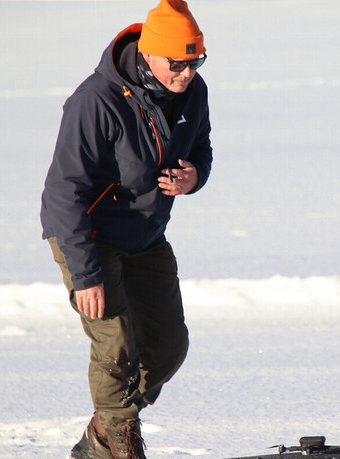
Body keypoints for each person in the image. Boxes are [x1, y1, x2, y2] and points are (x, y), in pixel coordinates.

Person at [40, 0, 212, 457]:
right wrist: (85, 273)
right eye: (178, 64)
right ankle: (120, 440)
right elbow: (63, 191)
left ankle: (103, 431)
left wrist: (194, 176)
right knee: (114, 344)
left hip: (146, 235)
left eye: (196, 62)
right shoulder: (94, 101)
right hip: (88, 235)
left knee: (168, 346)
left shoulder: (193, 91)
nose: (187, 73)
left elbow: (202, 146)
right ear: (149, 54)